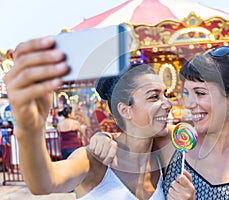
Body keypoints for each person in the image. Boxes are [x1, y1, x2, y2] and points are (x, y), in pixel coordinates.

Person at [4, 36, 194, 199]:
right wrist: (29, 129)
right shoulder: (95, 159)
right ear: (125, 110)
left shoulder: (164, 153)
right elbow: (43, 182)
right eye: (154, 96)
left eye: (165, 95)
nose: (168, 104)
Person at [92, 46, 229, 199]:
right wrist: (103, 137)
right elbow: (133, 133)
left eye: (200, 93)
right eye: (187, 93)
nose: (190, 104)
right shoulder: (174, 143)